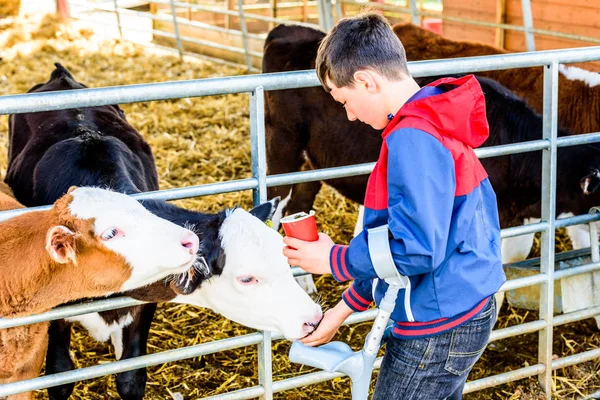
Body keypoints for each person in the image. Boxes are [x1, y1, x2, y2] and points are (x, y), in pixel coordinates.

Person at [282, 12, 506, 400]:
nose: (350, 114)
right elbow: (416, 237)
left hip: (437, 324)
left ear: (367, 81)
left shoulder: (412, 138)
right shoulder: (434, 120)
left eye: (345, 101)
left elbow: (414, 249)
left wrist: (333, 260)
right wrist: (345, 307)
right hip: (462, 304)